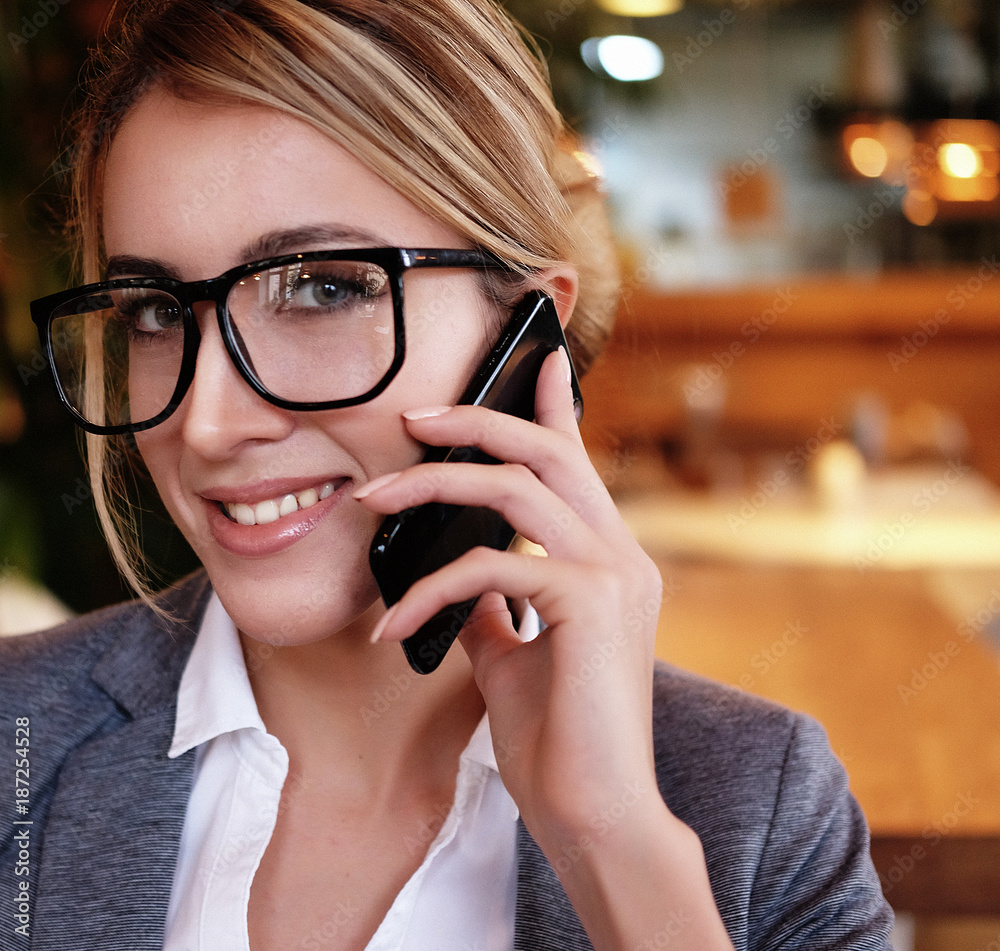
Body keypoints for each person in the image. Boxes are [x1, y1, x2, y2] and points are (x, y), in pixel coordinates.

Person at [1, 1, 894, 948]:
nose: (208, 422)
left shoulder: (761, 807)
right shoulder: (18, 734)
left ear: (526, 338)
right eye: (152, 311)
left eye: (321, 287)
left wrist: (618, 846)